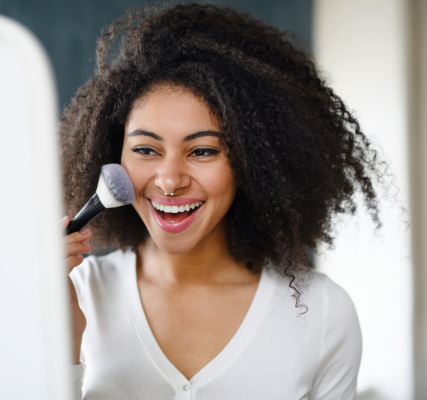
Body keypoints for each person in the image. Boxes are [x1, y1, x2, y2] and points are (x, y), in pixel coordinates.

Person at [59, 3, 388, 399]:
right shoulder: (76, 294)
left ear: (254, 162)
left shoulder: (322, 313)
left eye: (202, 152)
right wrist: (63, 343)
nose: (169, 181)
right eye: (146, 150)